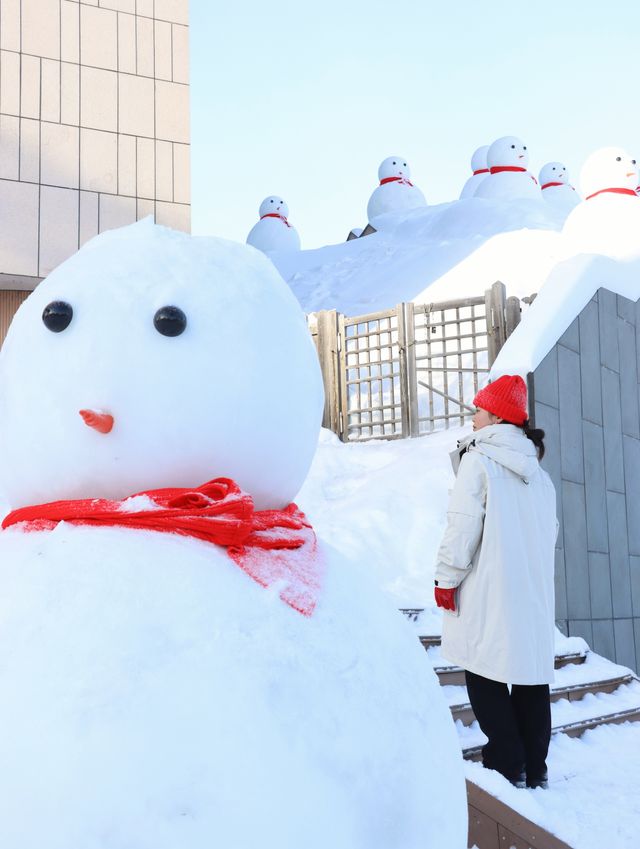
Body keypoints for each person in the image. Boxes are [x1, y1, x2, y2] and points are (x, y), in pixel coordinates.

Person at [433, 374, 557, 790]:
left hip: (490, 589)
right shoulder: (540, 477)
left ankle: (506, 760)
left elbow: (462, 526)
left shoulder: (479, 460)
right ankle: (534, 767)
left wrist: (446, 578)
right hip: (532, 593)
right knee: (529, 676)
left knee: (482, 671)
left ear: (497, 417)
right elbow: (549, 535)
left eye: (479, 411)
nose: (473, 418)